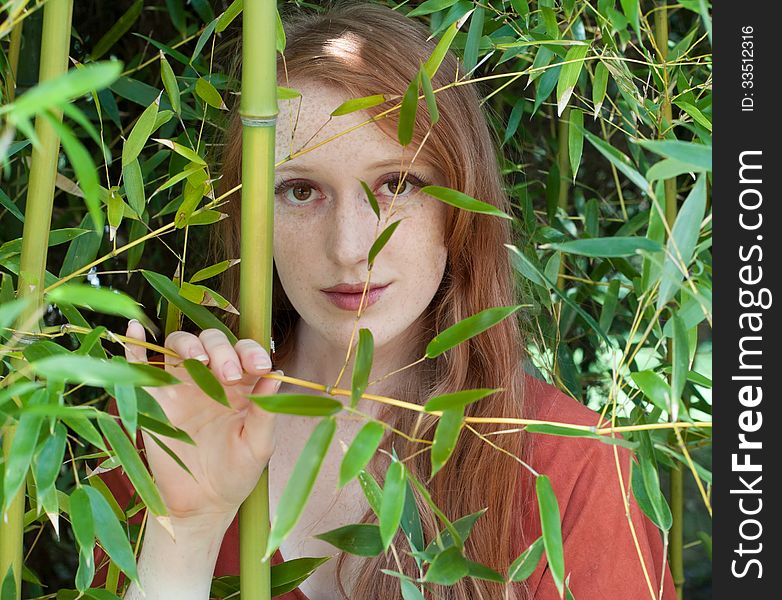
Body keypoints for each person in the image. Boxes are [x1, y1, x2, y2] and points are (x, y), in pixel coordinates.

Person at [92, 2, 676, 599]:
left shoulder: (570, 467)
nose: (350, 248)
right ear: (248, 216)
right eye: (299, 190)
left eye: (397, 185)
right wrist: (186, 528)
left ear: (461, 205)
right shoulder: (167, 431)